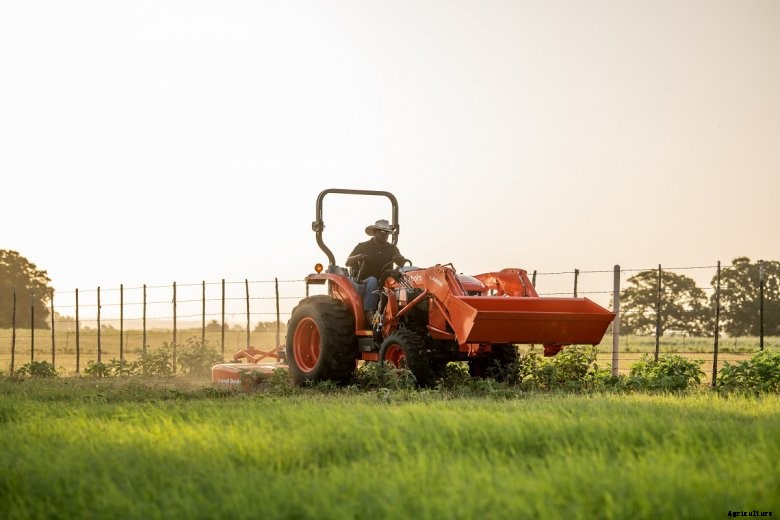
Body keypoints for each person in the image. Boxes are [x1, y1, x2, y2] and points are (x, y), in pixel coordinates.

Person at [345, 219, 406, 325]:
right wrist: (360, 256)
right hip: (365, 280)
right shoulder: (363, 246)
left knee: (402, 280)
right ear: (374, 232)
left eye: (387, 232)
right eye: (382, 232)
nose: (385, 234)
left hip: (386, 279)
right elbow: (348, 261)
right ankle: (369, 312)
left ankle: (401, 315)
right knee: (373, 280)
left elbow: (400, 260)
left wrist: (400, 259)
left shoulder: (392, 248)